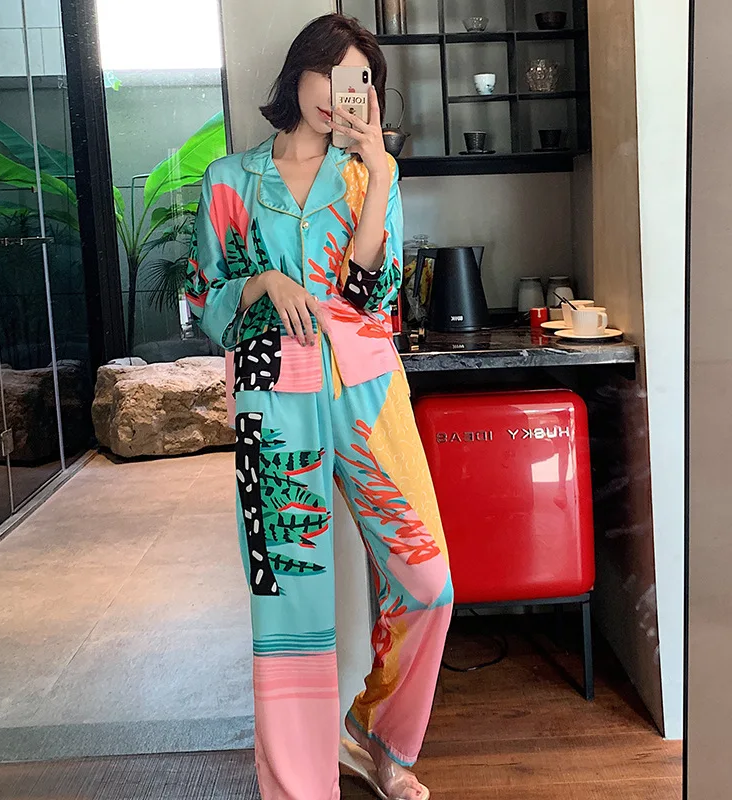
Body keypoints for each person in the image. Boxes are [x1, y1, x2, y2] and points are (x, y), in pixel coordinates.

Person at [186, 13, 453, 800]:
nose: (343, 91)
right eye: (332, 72)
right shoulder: (229, 180)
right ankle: (299, 788)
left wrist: (382, 171)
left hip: (368, 388)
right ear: (299, 73)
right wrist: (263, 283)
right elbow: (203, 299)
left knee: (428, 582)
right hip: (271, 393)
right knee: (286, 605)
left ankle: (377, 739)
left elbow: (373, 294)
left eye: (360, 78)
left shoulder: (372, 174)